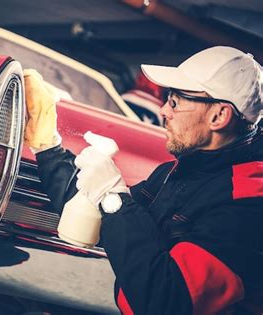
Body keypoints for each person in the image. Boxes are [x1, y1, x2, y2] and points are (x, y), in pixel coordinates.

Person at [23, 46, 262, 314]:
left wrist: (113, 197)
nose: (163, 110)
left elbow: (166, 302)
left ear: (218, 116)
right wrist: (47, 146)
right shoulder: (179, 172)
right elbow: (100, 217)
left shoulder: (249, 203)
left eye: (175, 101)